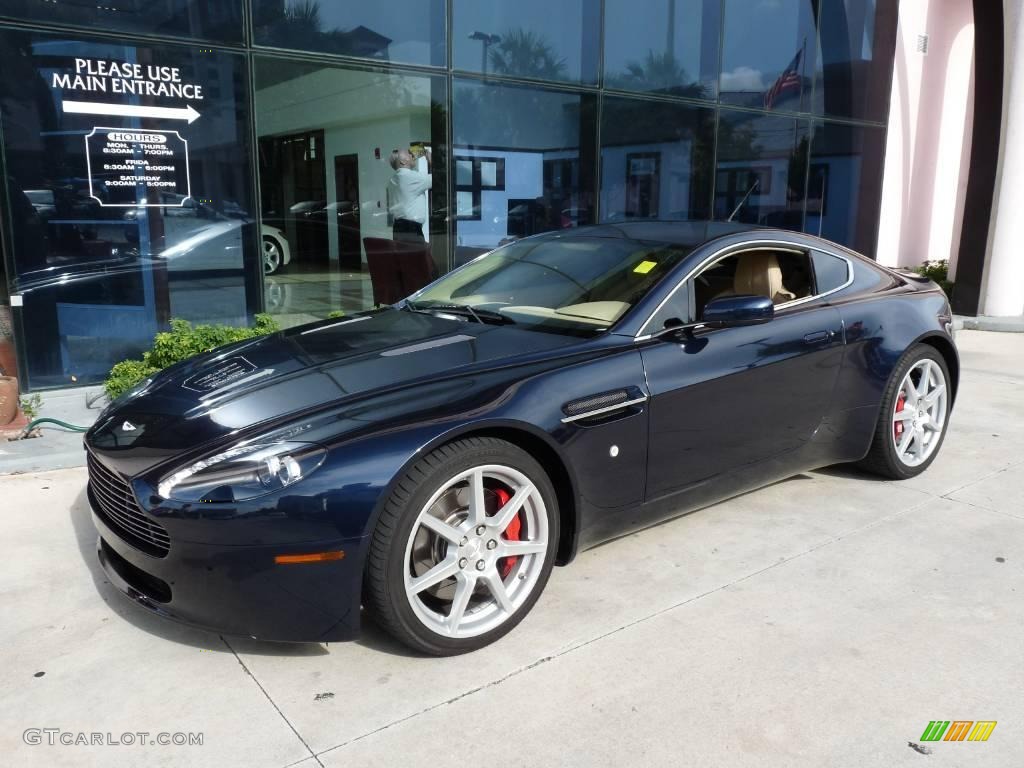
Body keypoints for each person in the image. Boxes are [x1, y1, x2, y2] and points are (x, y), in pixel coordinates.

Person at [387, 147, 431, 242]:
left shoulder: (392, 180)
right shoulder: (409, 176)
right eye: (409, 154)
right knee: (417, 256)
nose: (413, 156)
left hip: (398, 228)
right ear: (403, 162)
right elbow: (439, 178)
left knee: (404, 257)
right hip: (411, 230)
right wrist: (430, 160)